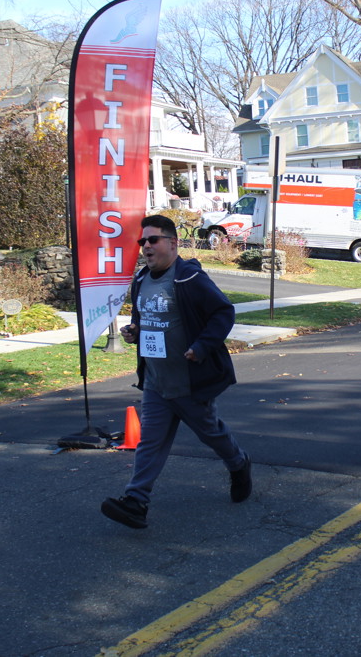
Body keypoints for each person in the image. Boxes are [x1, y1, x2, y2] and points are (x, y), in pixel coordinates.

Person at [101, 214, 251, 529]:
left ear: (172, 242)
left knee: (211, 433)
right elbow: (145, 319)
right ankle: (136, 501)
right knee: (149, 442)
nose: (146, 246)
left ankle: (239, 463)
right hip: (156, 381)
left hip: (189, 382)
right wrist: (134, 331)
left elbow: (223, 312)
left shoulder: (189, 278)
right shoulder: (141, 280)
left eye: (153, 240)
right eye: (142, 241)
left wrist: (202, 346)